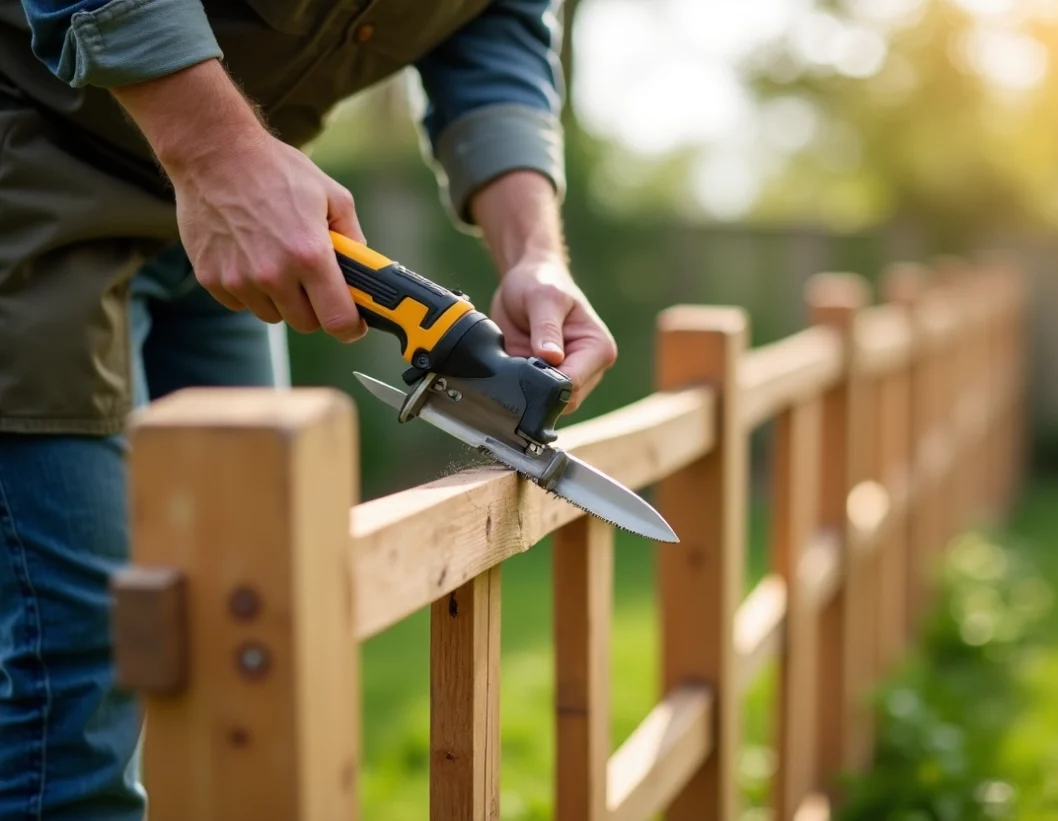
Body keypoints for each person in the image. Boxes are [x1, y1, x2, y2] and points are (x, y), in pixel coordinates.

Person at [0, 0, 617, 816]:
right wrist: (212, 147)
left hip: (237, 217)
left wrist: (533, 251)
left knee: (249, 636)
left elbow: (494, 30)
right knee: (82, 674)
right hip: (40, 171)